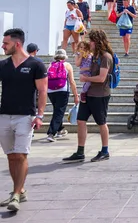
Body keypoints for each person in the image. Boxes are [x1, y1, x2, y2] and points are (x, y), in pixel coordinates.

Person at [0, 29, 47, 212]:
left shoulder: (36, 65)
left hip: (26, 117)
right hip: (4, 115)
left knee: (20, 154)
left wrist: (40, 115)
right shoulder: (3, 65)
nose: (3, 46)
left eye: (6, 43)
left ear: (17, 44)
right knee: (11, 156)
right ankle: (19, 190)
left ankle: (16, 194)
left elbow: (43, 91)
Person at [63, 29, 115, 163]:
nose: (90, 43)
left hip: (100, 95)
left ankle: (105, 151)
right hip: (88, 94)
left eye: (92, 40)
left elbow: (102, 78)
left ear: (97, 41)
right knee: (81, 120)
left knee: (101, 122)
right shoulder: (95, 56)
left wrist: (86, 79)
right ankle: (80, 151)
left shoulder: (105, 57)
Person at [45, 49, 79, 142]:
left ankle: (60, 130)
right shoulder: (67, 65)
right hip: (62, 91)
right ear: (65, 56)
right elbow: (72, 81)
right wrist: (76, 95)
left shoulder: (50, 65)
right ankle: (51, 133)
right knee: (59, 112)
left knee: (57, 110)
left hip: (51, 91)